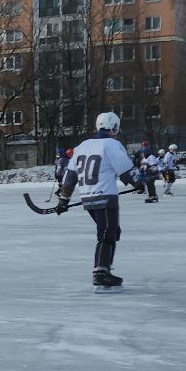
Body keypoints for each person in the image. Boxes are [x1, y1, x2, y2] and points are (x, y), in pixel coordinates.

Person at [54, 112, 142, 292]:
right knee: (107, 233)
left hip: (87, 197)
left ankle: (104, 269)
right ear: (114, 127)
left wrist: (64, 199)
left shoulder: (82, 146)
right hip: (106, 196)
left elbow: (70, 176)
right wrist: (140, 183)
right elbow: (126, 170)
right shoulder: (112, 144)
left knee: (111, 231)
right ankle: (101, 273)